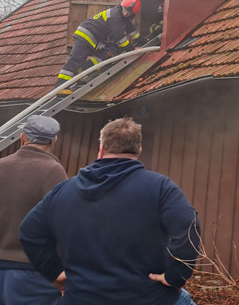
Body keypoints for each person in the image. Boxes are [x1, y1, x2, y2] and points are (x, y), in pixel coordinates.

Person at [20, 117, 201, 305]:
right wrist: (176, 276)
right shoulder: (161, 188)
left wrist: (54, 273)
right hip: (147, 297)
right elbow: (189, 227)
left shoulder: (64, 190)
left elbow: (29, 232)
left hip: (81, 297)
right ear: (139, 149)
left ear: (101, 149)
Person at [0, 116, 68, 305]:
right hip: (37, 271)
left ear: (22, 137)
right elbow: (63, 224)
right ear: (54, 140)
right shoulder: (53, 171)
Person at [55, 0, 141, 90]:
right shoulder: (115, 16)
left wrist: (141, 40)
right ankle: (61, 86)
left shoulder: (124, 19)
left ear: (132, 14)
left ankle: (82, 70)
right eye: (124, 10)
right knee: (76, 58)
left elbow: (131, 30)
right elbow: (119, 36)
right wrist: (131, 49)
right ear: (121, 7)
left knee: (110, 52)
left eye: (128, 13)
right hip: (86, 34)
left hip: (97, 39)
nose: (125, 13)